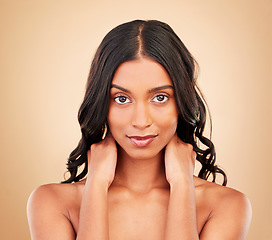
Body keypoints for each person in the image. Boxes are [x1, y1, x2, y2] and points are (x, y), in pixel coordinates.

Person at [27, 19, 252, 240]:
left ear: (182, 101)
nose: (141, 121)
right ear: (102, 103)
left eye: (160, 97)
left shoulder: (226, 206)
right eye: (122, 99)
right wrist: (96, 185)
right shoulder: (53, 203)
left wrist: (182, 185)